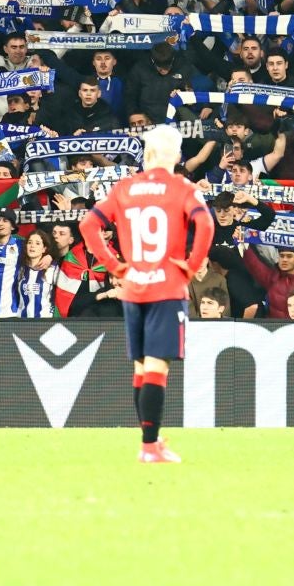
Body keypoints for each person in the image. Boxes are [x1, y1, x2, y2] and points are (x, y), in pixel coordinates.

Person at [77, 124, 216, 464]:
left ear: (147, 154)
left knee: (141, 368)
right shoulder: (181, 187)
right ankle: (150, 447)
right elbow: (207, 224)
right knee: (156, 367)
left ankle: (149, 441)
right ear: (177, 156)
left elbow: (88, 226)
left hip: (134, 285)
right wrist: (190, 264)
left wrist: (116, 267)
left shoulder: (125, 187)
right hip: (167, 285)